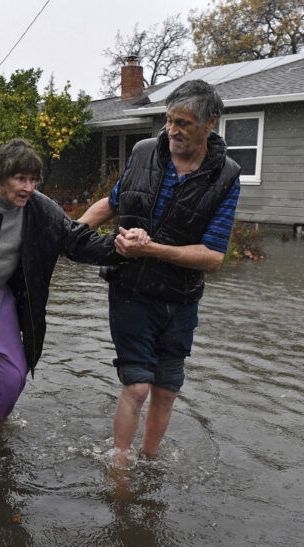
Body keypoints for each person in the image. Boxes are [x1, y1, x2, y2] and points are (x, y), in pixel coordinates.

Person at [78, 79, 242, 463]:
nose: (172, 131)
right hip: (130, 289)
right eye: (169, 121)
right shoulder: (143, 152)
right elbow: (113, 202)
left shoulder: (227, 176)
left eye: (183, 123)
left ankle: (149, 461)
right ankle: (120, 464)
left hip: (180, 299)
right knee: (137, 387)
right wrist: (71, 233)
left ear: (210, 123)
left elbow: (213, 256)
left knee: (166, 391)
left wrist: (151, 248)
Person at [0, 138, 125, 448]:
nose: (27, 187)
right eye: (19, 179)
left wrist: (120, 245)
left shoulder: (42, 208)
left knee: (13, 375)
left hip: (4, 299)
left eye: (33, 179)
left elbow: (76, 241)